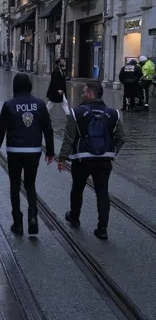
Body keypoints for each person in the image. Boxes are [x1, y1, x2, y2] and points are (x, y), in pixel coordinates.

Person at [58, 82, 126, 240]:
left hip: (82, 159)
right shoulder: (113, 113)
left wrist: (62, 158)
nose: (82, 95)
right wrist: (112, 152)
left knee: (78, 187)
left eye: (83, 92)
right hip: (104, 159)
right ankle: (102, 229)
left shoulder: (77, 113)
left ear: (90, 94)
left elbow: (69, 138)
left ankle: (74, 217)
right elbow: (121, 137)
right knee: (102, 191)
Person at [0, 73, 54, 235]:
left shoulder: (9, 104)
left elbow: (0, 130)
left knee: (15, 185)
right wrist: (51, 152)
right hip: (34, 150)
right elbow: (48, 129)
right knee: (30, 185)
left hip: (15, 151)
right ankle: (33, 218)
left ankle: (17, 223)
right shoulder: (40, 105)